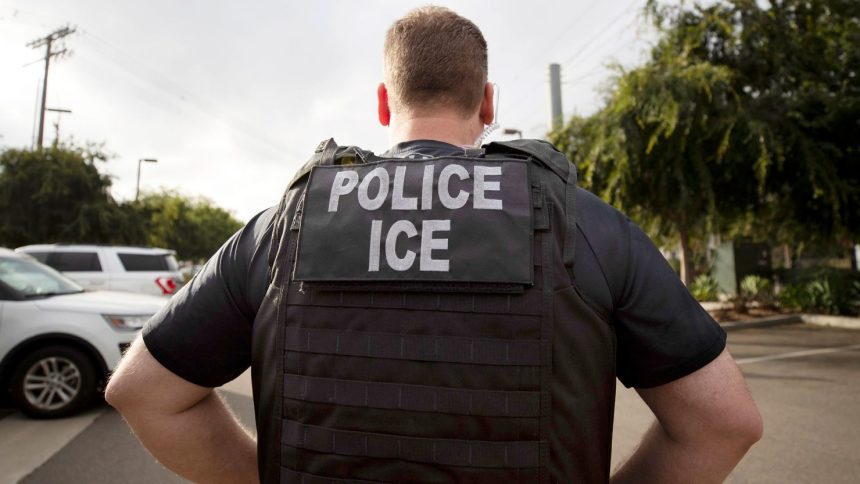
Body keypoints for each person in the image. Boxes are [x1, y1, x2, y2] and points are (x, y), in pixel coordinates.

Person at [106, 6, 762, 483]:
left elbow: (142, 392)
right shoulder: (584, 223)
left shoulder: (288, 224)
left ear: (384, 104)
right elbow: (723, 423)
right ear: (489, 102)